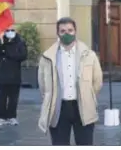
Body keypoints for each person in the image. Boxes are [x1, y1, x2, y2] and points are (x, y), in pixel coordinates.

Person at [37, 17, 103, 145]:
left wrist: (88, 95)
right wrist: (49, 98)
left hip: (83, 106)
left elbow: (97, 81)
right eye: (63, 31)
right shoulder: (47, 57)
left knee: (85, 144)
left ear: (75, 31)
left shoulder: (89, 55)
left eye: (70, 30)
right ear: (58, 33)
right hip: (58, 108)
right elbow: (43, 85)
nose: (67, 34)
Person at [0, 28, 27, 127]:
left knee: (13, 98)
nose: (10, 32)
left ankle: (12, 117)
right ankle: (2, 117)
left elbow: (23, 55)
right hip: (0, 76)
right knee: (1, 99)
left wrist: (6, 50)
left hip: (14, 76)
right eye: (7, 30)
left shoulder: (20, 42)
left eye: (12, 30)